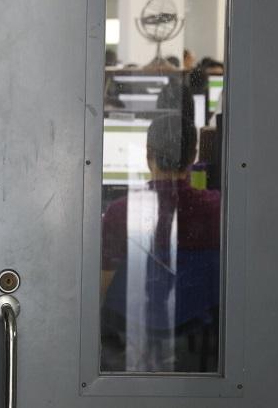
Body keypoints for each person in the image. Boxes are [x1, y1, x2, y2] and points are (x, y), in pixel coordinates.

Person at [100, 114, 221, 372]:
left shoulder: (121, 212)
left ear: (148, 154)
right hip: (197, 340)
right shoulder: (217, 209)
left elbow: (101, 287)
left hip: (129, 337)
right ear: (193, 157)